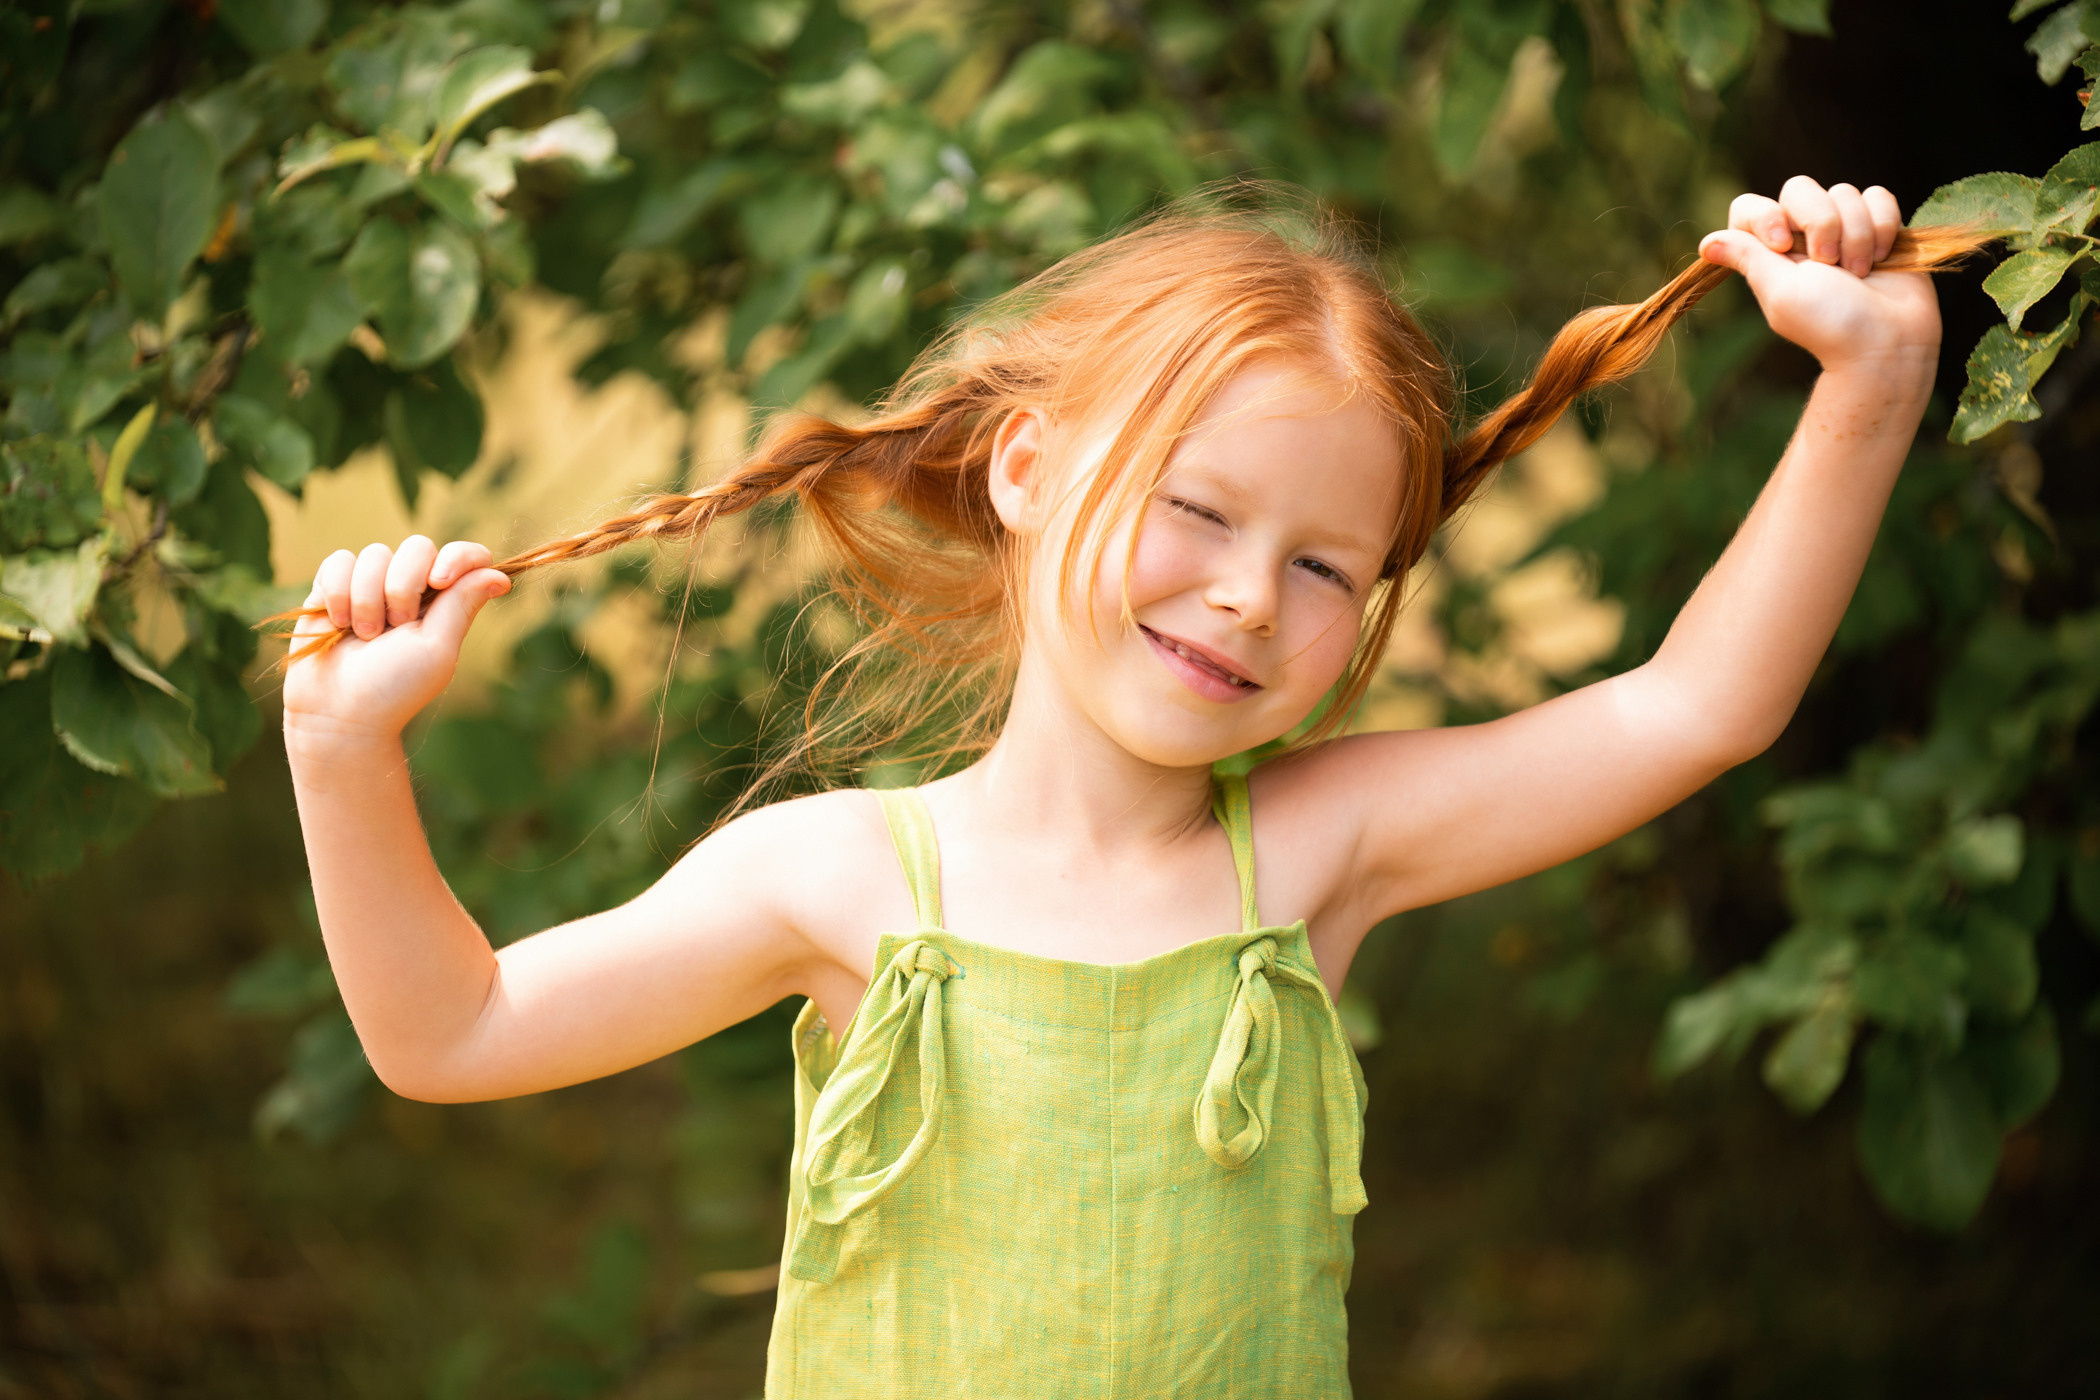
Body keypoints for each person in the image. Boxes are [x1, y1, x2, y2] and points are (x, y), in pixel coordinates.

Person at [280, 178, 1971, 1397]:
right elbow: (453, 1036)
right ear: (1026, 467)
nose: (1250, 597)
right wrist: (347, 755)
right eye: (1201, 510)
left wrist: (1872, 383)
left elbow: (1694, 708)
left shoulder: (1318, 854)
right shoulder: (840, 883)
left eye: (1329, 567)